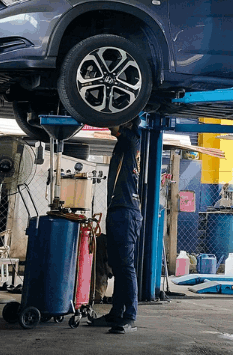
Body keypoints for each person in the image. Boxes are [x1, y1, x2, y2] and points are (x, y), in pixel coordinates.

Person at [98, 120, 143, 334]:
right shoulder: (123, 143)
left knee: (125, 265)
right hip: (117, 210)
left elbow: (113, 125)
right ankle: (116, 313)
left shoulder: (131, 140)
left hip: (127, 212)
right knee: (116, 265)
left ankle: (129, 316)